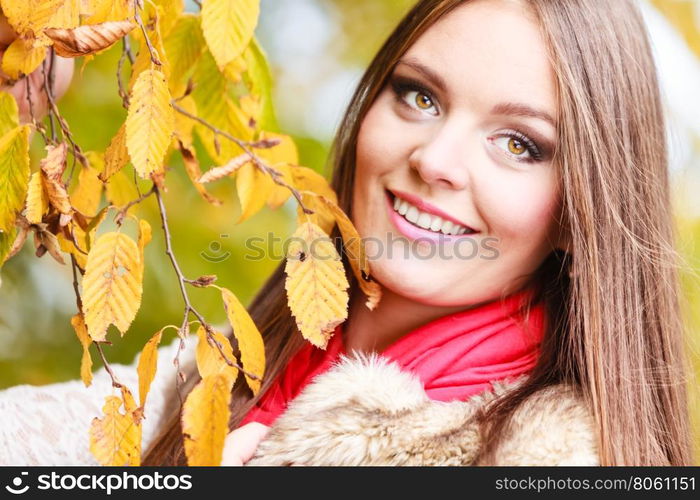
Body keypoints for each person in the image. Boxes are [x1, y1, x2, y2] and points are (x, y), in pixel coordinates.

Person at [0, 0, 694, 466]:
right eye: (420, 96)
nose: (435, 160)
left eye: (519, 143)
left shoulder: (556, 461)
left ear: (582, 213)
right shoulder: (207, 375)